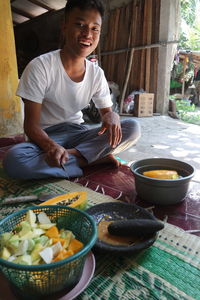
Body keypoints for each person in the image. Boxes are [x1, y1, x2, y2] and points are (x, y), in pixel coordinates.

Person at [3, 0, 141, 180]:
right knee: (15, 161)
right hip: (45, 137)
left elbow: (107, 114)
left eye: (94, 28)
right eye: (80, 25)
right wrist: (51, 147)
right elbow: (31, 126)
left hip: (78, 133)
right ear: (65, 27)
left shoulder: (96, 73)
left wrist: (112, 116)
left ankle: (70, 158)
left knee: (132, 128)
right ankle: (93, 158)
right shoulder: (40, 67)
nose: (87, 34)